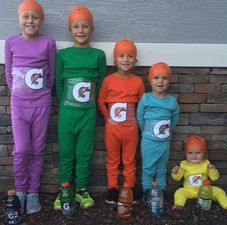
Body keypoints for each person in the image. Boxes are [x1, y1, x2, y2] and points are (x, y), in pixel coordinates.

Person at [4, 0, 56, 214]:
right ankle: (21, 189)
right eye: (26, 16)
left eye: (35, 17)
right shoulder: (10, 42)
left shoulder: (48, 43)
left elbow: (51, 74)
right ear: (19, 19)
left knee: (37, 149)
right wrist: (18, 94)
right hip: (19, 105)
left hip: (41, 105)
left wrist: (43, 95)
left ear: (41, 20)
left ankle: (33, 192)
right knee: (21, 149)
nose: (30, 21)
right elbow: (8, 72)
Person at [54, 4, 106, 209]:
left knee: (84, 152)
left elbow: (101, 82)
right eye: (76, 26)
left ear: (91, 29)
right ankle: (65, 188)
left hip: (88, 113)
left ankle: (82, 189)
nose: (80, 30)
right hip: (67, 112)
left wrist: (92, 103)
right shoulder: (63, 55)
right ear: (70, 29)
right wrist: (63, 105)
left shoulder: (98, 55)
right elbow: (58, 82)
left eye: (85, 26)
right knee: (66, 152)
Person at [98, 39, 145, 204]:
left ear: (135, 60)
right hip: (112, 128)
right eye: (121, 56)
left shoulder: (137, 81)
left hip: (131, 129)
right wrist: (108, 118)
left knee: (129, 159)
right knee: (112, 159)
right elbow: (101, 101)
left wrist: (140, 124)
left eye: (130, 56)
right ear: (115, 60)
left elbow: (142, 105)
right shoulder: (108, 80)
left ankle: (129, 188)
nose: (126, 59)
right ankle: (112, 189)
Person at [137, 62, 180, 202]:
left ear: (169, 81)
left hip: (164, 142)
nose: (160, 81)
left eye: (164, 78)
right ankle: (146, 192)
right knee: (148, 168)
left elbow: (174, 118)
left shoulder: (172, 101)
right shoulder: (146, 98)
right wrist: (146, 131)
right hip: (149, 141)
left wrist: (166, 131)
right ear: (150, 80)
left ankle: (161, 191)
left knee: (161, 169)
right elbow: (140, 116)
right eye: (156, 78)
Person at [171, 135, 227, 211]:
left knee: (219, 191)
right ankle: (178, 205)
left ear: (203, 153)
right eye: (190, 153)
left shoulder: (206, 163)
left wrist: (213, 170)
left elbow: (214, 178)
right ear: (185, 153)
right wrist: (175, 172)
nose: (194, 156)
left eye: (198, 153)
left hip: (206, 190)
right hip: (189, 190)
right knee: (179, 192)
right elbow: (177, 178)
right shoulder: (183, 164)